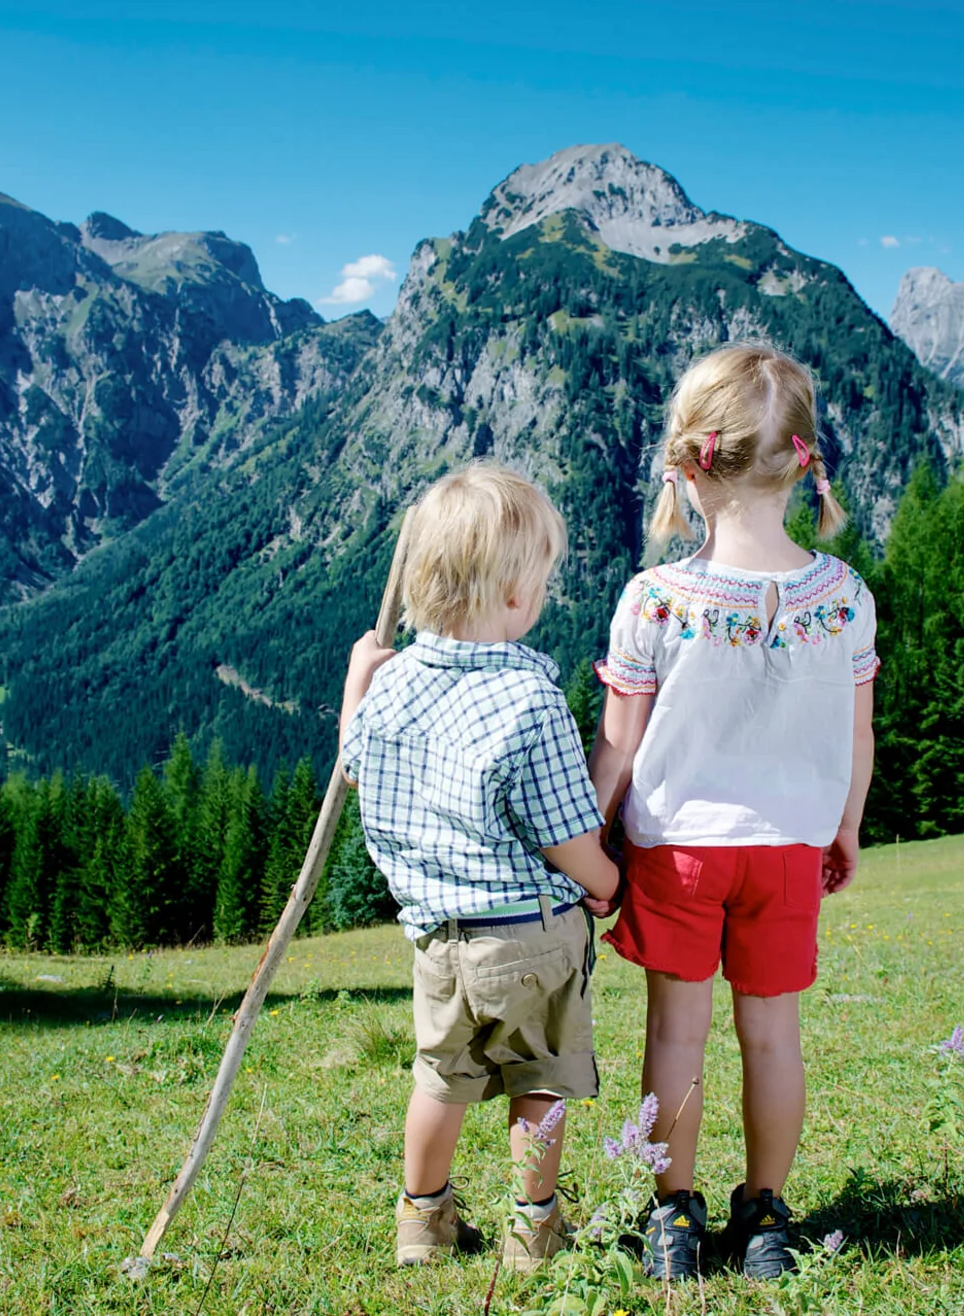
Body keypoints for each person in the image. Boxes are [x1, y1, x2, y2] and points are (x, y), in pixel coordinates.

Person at [589, 344, 877, 1281]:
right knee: (773, 1035)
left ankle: (672, 1215)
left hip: (677, 852)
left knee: (677, 1032)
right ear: (803, 461)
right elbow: (856, 734)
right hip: (789, 848)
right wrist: (844, 824)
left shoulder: (656, 600)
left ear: (688, 464)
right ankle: (766, 1215)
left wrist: (592, 833)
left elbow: (619, 750)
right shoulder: (844, 597)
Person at [339, 464, 623, 1273]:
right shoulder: (529, 698)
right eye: (538, 580)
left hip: (436, 942)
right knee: (538, 1079)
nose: (541, 595)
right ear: (509, 592)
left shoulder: (390, 690)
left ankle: (420, 1223)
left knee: (439, 1079)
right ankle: (534, 1229)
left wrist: (358, 683)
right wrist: (605, 883)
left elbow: (354, 767)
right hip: (527, 934)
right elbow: (566, 832)